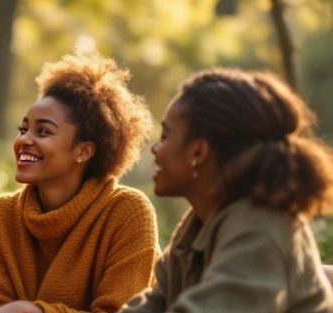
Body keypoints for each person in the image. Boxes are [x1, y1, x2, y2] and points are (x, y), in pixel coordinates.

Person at [123, 69, 333, 312]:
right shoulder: (197, 227)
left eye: (165, 136)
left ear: (198, 152)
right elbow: (154, 304)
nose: (155, 149)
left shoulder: (261, 228)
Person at [0, 52, 158, 313]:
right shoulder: (1, 215)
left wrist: (33, 312)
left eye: (43, 131)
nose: (24, 140)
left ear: (84, 151)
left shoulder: (128, 212)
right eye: (23, 129)